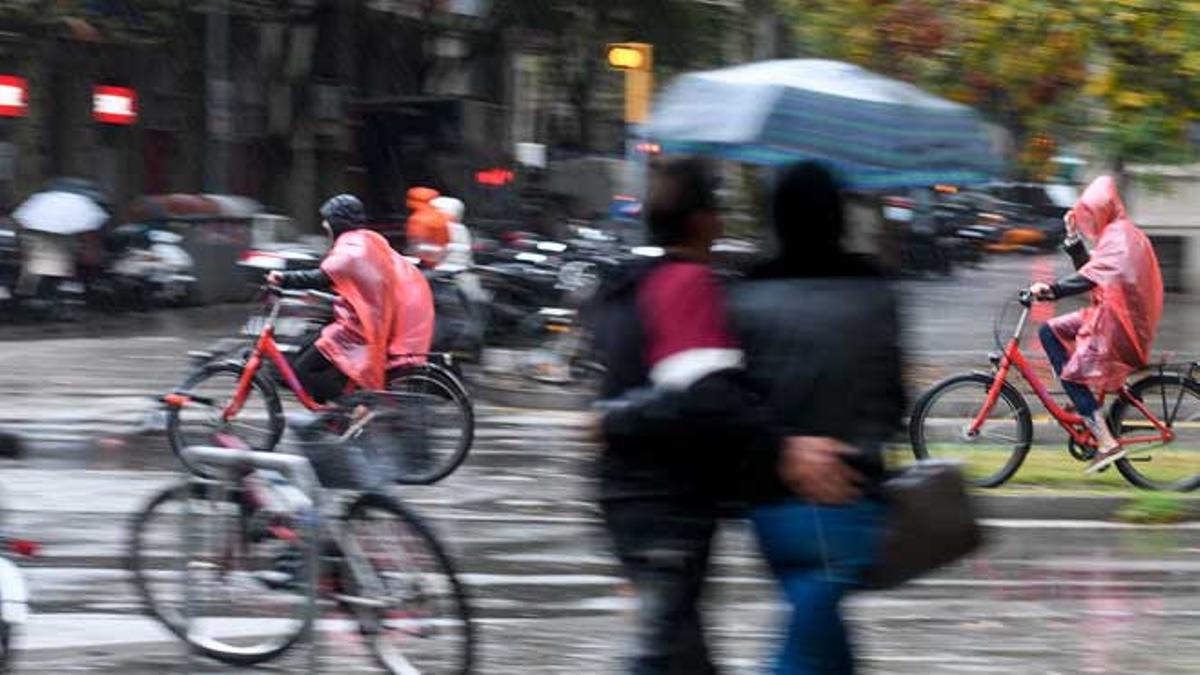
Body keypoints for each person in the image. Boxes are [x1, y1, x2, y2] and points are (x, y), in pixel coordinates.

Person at [591, 158, 859, 674]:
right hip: (662, 503)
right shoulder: (687, 285)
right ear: (702, 221)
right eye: (715, 208)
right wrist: (784, 445)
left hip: (635, 497)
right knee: (665, 651)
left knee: (680, 652)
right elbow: (707, 396)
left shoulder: (629, 282)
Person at [732, 161, 903, 674]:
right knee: (807, 648)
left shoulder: (744, 294)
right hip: (850, 502)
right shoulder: (875, 293)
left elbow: (736, 398)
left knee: (825, 646)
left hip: (769, 508)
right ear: (839, 216)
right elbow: (894, 401)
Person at [1029, 175, 1163, 473]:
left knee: (1072, 373)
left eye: (1092, 213)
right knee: (1049, 331)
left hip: (1119, 325)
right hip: (1112, 318)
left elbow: (1088, 278)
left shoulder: (1121, 236)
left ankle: (1105, 441)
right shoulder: (1117, 234)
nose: (1091, 220)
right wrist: (1074, 238)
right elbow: (1093, 274)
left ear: (1104, 209)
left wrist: (1051, 290)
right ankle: (1087, 406)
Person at [267, 194, 434, 402]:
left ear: (338, 222)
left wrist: (284, 279)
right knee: (309, 347)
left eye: (327, 219)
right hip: (365, 319)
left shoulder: (352, 250)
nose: (324, 224)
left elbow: (323, 276)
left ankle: (349, 409)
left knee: (303, 370)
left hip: (359, 329)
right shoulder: (367, 239)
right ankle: (327, 420)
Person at [405, 186, 451, 269]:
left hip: (427, 264)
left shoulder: (419, 219)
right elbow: (447, 240)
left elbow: (418, 242)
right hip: (441, 262)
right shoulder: (442, 217)